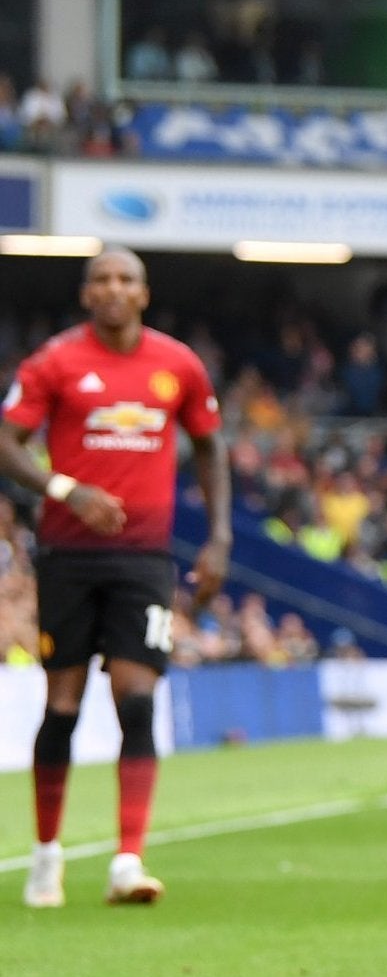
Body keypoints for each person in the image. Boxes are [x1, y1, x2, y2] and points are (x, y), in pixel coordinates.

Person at [0, 249, 230, 907]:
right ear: (86, 292)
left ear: (144, 292)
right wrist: (66, 489)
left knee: (136, 701)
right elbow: (7, 440)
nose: (113, 288)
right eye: (101, 278)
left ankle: (128, 860)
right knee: (63, 707)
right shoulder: (55, 361)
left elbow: (210, 448)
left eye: (125, 278)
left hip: (143, 558)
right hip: (69, 556)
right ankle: (47, 855)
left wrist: (218, 537)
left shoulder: (177, 364)